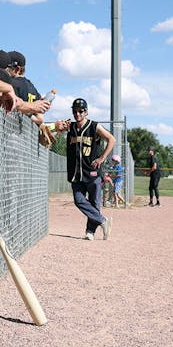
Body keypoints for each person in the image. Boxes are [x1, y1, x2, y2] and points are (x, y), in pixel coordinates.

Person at [54, 98, 115, 240]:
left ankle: (90, 231)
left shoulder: (94, 126)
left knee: (94, 202)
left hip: (92, 171)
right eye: (75, 111)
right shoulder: (71, 127)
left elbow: (112, 139)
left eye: (80, 111)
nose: (77, 114)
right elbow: (58, 133)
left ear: (86, 112)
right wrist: (59, 128)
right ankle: (103, 221)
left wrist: (102, 158)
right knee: (79, 200)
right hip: (76, 172)